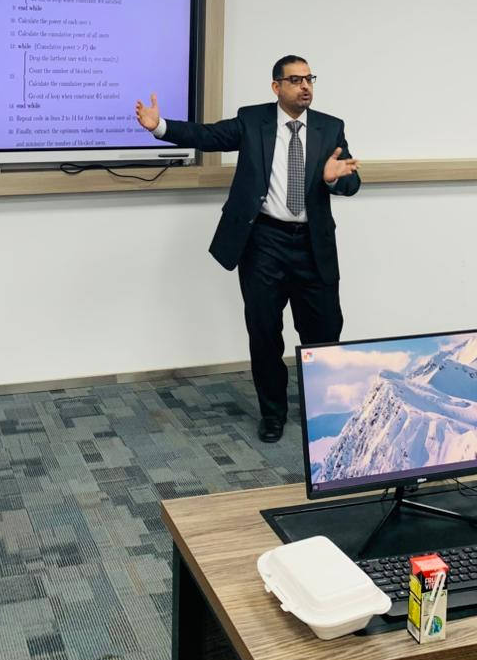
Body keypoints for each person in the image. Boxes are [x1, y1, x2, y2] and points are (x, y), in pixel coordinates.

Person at [135, 56, 360, 443]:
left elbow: (351, 181)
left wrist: (333, 180)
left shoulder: (330, 127)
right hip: (264, 242)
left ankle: (323, 412)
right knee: (264, 333)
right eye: (295, 80)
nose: (305, 86)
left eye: (309, 79)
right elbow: (209, 136)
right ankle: (273, 414)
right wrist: (161, 126)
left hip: (312, 245)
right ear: (277, 87)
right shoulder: (253, 120)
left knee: (324, 333)